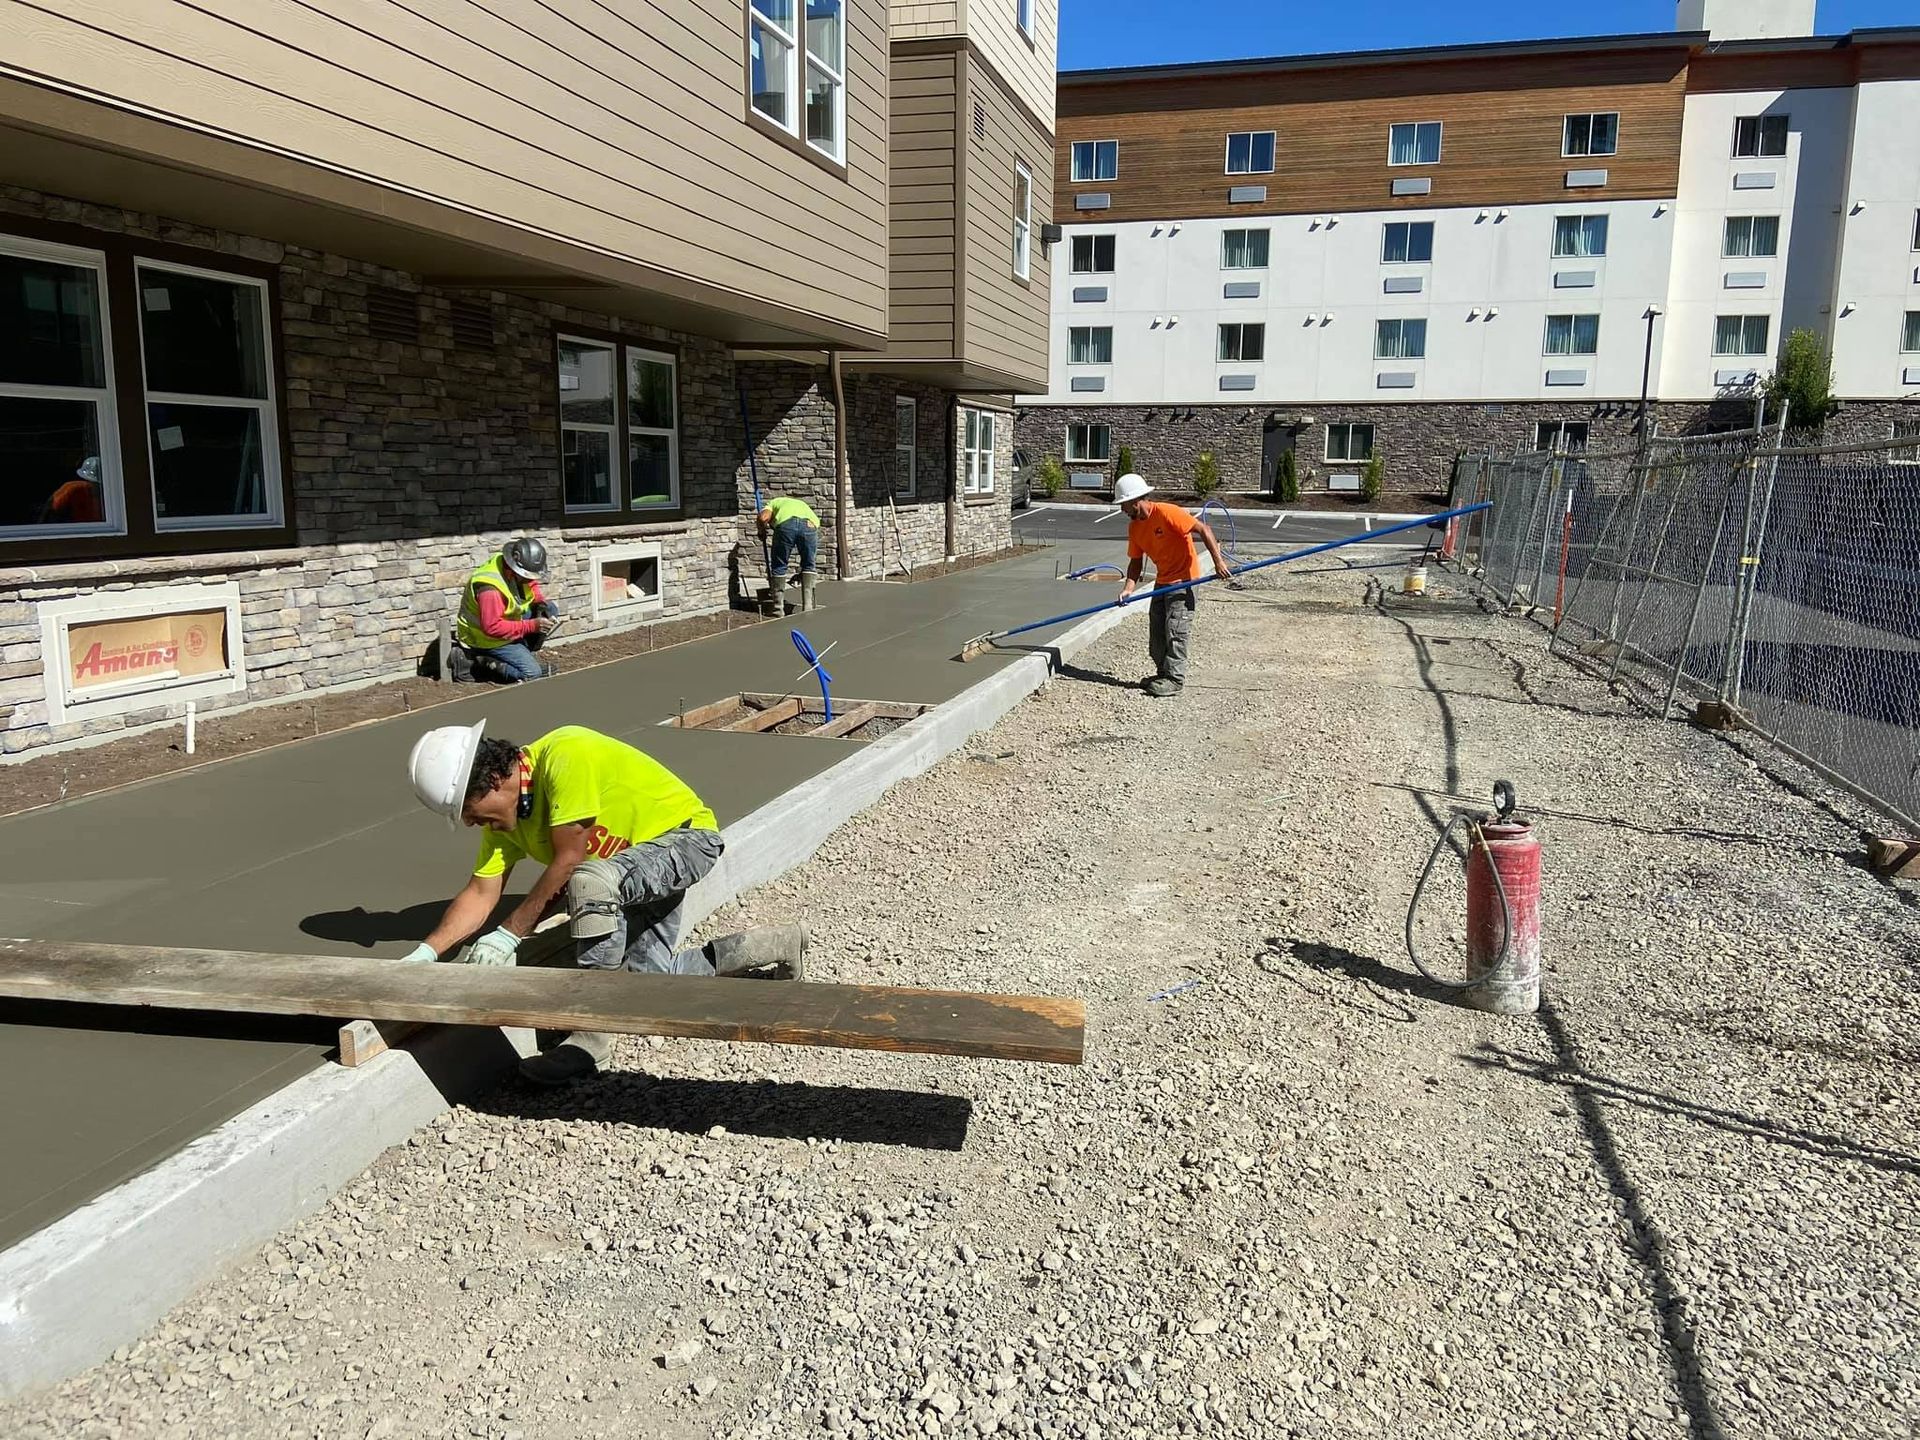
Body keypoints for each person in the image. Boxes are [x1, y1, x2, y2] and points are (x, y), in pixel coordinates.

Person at [402, 720, 809, 1085]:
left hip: (685, 842)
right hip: (622, 882)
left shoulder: (565, 753)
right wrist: (425, 954)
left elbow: (569, 859)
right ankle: (775, 945)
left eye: (468, 813)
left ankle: (589, 1033)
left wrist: (508, 936)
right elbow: (479, 894)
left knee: (587, 880)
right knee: (646, 990)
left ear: (492, 778)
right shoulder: (504, 826)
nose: (472, 824)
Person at [1113, 473, 1237, 697]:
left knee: (1175, 631)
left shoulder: (1167, 512)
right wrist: (1128, 588)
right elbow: (1135, 561)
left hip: (1185, 579)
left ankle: (1174, 679)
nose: (1122, 510)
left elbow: (1204, 530)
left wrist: (1218, 562)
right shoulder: (1135, 528)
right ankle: (1163, 674)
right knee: (1157, 636)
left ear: (1135, 501)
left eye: (1123, 505)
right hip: (1163, 581)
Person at [455, 537, 558, 684]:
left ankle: (523, 650)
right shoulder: (490, 589)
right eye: (527, 576)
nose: (530, 580)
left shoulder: (512, 567)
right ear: (514, 570)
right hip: (485, 638)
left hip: (507, 621)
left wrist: (540, 603)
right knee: (532, 673)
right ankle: (482, 661)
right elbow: (492, 627)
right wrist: (532, 626)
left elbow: (532, 584)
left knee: (551, 608)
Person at [756, 495, 822, 613]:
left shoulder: (773, 503)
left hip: (786, 524)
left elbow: (763, 517)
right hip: (810, 524)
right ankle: (808, 607)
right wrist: (800, 573)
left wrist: (761, 530)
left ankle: (778, 610)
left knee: (779, 565)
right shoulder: (801, 505)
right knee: (809, 565)